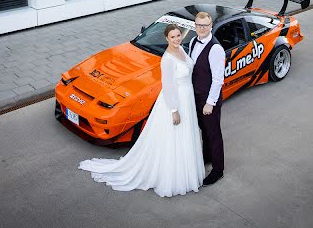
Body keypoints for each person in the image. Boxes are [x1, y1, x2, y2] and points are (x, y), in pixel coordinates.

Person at [79, 24, 205, 197]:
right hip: (175, 100)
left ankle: (184, 169)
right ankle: (172, 175)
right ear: (167, 39)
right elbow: (168, 86)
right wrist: (174, 110)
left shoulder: (182, 50)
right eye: (173, 37)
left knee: (185, 134)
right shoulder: (167, 59)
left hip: (187, 97)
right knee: (172, 137)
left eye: (178, 36)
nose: (176, 39)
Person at [189, 11, 225, 186]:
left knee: (213, 134)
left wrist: (210, 103)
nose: (201, 28)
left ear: (211, 26)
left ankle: (218, 170)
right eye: (198, 25)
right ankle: (207, 157)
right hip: (195, 96)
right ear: (194, 25)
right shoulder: (193, 42)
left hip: (208, 98)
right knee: (203, 131)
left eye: (205, 25)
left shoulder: (215, 48)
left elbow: (218, 79)